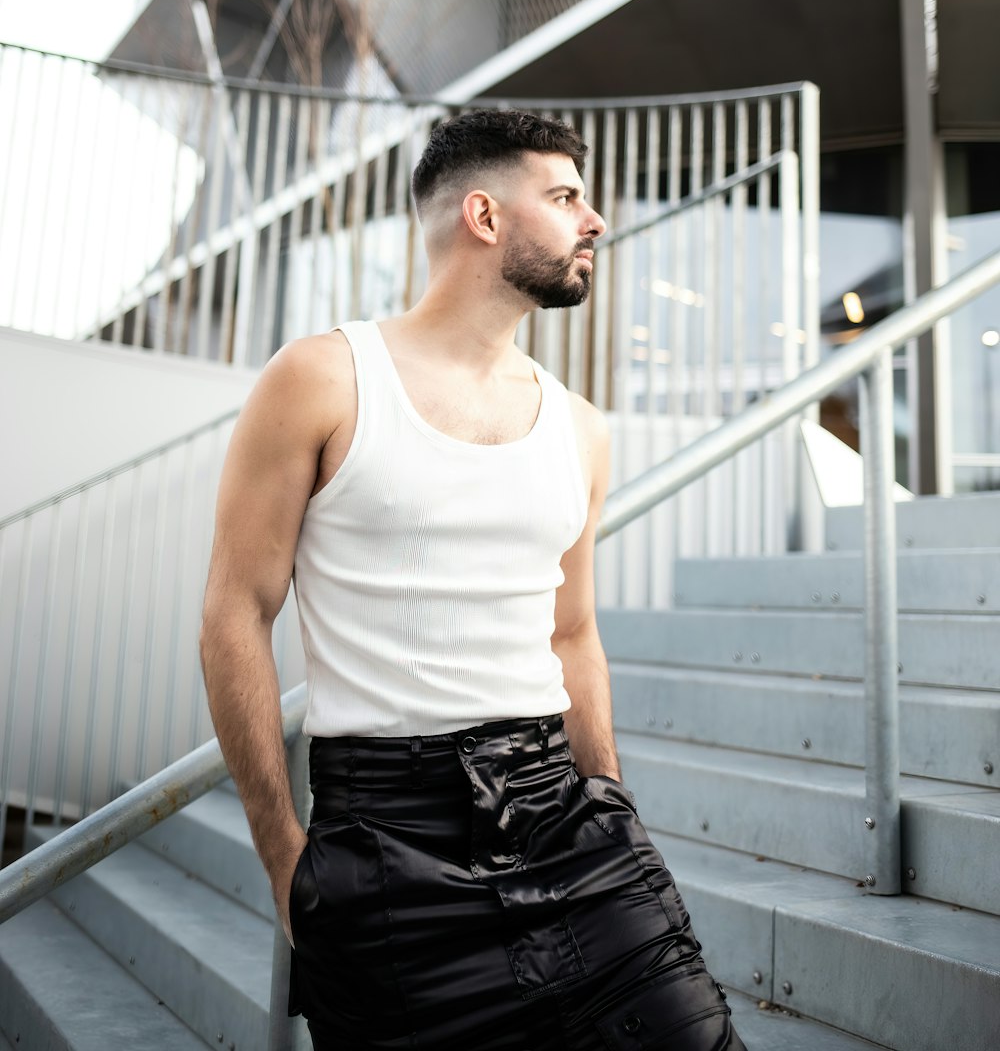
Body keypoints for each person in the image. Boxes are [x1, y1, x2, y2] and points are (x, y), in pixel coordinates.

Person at [200, 110, 746, 1050]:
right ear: (486, 216)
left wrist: (606, 797)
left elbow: (573, 633)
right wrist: (283, 851)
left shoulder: (581, 427)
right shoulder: (323, 380)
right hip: (384, 842)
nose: (596, 220)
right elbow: (234, 613)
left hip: (564, 819)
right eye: (567, 195)